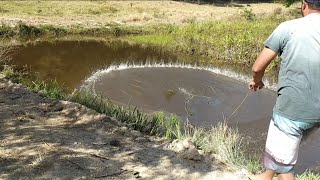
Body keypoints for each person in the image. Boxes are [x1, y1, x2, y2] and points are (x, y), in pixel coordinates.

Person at [248, 0, 320, 179]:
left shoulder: (288, 27)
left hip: (292, 111)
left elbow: (257, 68)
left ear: (304, 5)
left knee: (283, 168)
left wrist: (257, 82)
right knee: (281, 155)